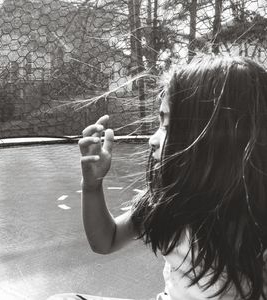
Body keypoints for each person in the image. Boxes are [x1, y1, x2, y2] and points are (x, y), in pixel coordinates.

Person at [48, 55, 267, 300]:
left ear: (215, 137)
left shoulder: (257, 223)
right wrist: (92, 185)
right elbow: (105, 240)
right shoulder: (167, 201)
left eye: (167, 126)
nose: (153, 139)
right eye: (160, 122)